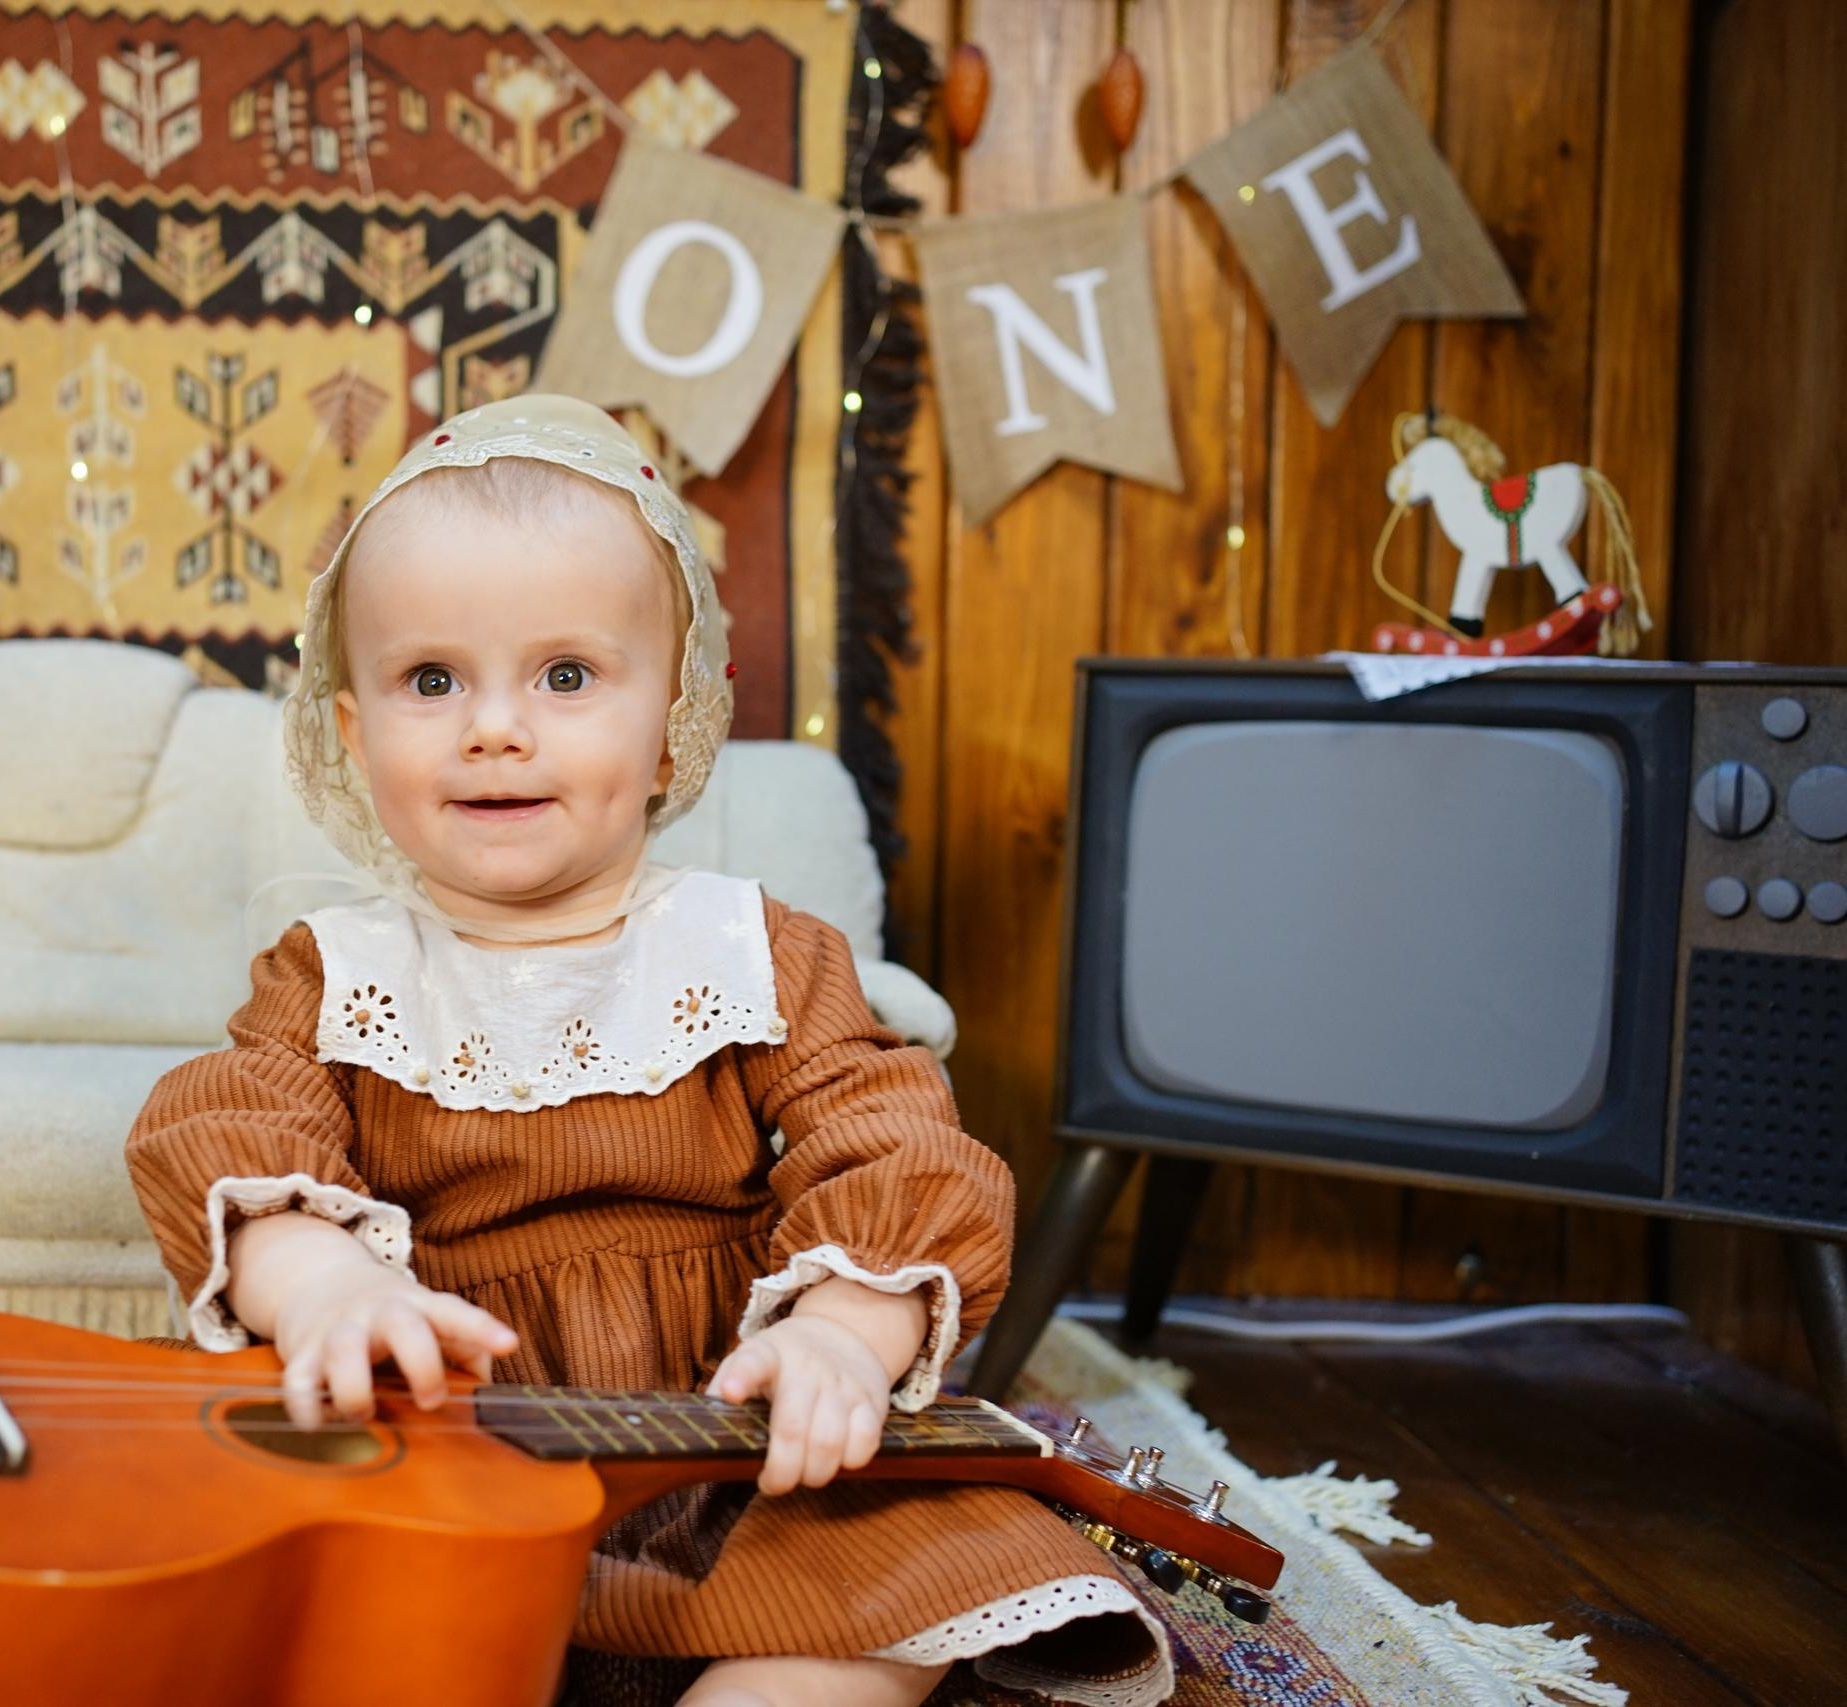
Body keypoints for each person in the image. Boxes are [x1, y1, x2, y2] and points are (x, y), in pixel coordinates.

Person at [125, 395, 1171, 1707]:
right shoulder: (334, 971)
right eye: (430, 680)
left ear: (670, 711)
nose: (494, 728)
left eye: (566, 677)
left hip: (732, 1443)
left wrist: (842, 1341)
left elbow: (892, 1137)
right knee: (299, 1605)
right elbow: (230, 1125)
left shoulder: (752, 951)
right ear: (352, 731)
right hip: (451, 1443)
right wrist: (327, 1292)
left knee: (880, 1591)